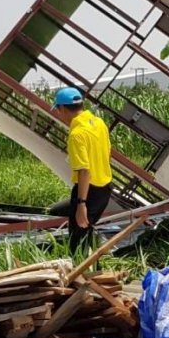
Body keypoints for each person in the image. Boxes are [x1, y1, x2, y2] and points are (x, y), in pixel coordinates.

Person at [52, 86, 113, 251]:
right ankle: (93, 270)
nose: (58, 114)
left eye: (57, 109)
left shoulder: (77, 134)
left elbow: (84, 171)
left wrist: (81, 204)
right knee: (86, 236)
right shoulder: (99, 123)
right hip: (105, 189)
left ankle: (82, 274)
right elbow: (107, 153)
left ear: (62, 108)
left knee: (77, 243)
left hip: (89, 192)